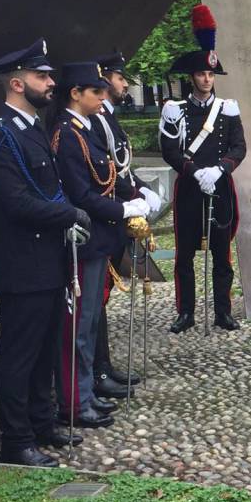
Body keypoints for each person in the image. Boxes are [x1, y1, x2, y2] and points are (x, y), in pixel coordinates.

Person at [0, 38, 87, 466]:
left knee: (44, 349)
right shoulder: (1, 136)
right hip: (22, 266)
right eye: (43, 76)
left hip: (48, 263)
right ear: (18, 82)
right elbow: (16, 201)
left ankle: (42, 422)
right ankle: (16, 441)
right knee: (19, 355)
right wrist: (70, 214)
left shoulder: (32, 129)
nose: (51, 82)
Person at [51, 61, 149, 428]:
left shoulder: (87, 128)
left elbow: (107, 174)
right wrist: (123, 208)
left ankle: (86, 392)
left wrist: (133, 196)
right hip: (85, 240)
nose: (103, 95)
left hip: (98, 238)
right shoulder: (66, 133)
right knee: (79, 325)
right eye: (96, 91)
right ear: (75, 94)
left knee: (89, 322)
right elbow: (80, 194)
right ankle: (76, 401)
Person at [159, 4, 246, 333]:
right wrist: (195, 171)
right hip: (190, 188)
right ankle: (186, 313)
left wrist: (221, 170)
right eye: (201, 74)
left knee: (222, 253)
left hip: (220, 187)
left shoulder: (228, 109)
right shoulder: (175, 110)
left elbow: (240, 146)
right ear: (192, 77)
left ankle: (223, 311)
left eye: (210, 75)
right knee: (184, 255)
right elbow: (170, 149)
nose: (206, 80)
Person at [89, 52, 162, 399]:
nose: (125, 84)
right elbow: (103, 171)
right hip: (106, 213)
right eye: (120, 77)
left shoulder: (106, 115)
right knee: (96, 299)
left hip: (116, 208)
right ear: (105, 79)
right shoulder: (93, 118)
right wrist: (128, 201)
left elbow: (121, 164)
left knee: (100, 299)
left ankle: (103, 366)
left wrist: (141, 189)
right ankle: (96, 370)